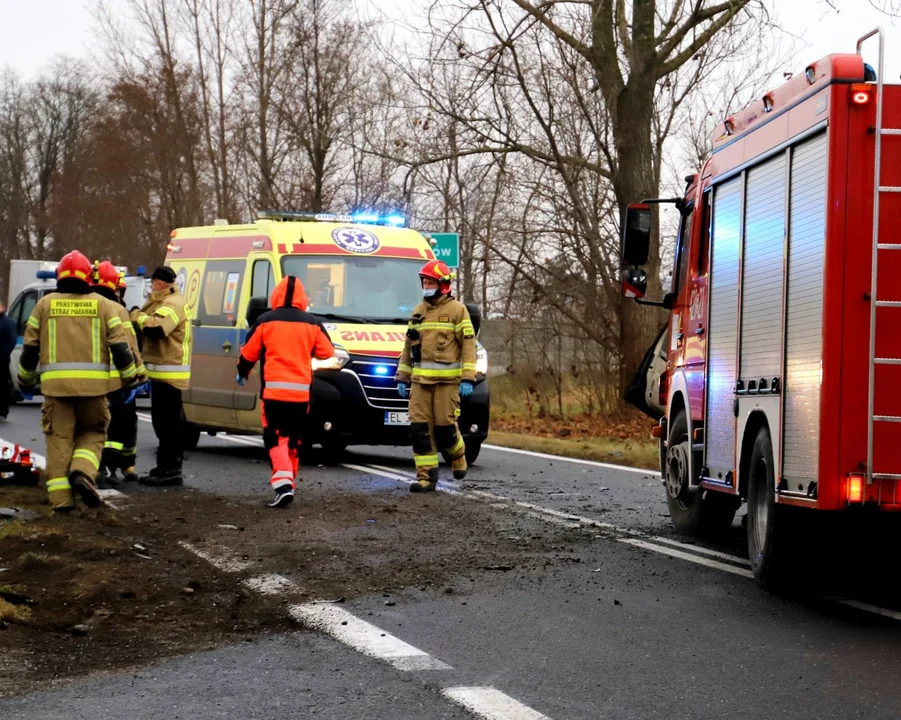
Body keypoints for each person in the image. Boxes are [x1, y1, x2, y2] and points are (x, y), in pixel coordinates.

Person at [17, 250, 139, 511]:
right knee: (92, 433)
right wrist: (130, 380)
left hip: (56, 391)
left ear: (59, 276)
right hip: (94, 391)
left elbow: (29, 350)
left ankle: (62, 502)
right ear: (88, 277)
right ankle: (83, 472)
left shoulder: (44, 305)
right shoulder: (104, 306)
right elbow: (120, 348)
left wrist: (25, 382)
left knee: (59, 440)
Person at [236, 275, 334, 508]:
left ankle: (283, 485)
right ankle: (289, 482)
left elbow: (248, 353)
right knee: (293, 440)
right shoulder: (312, 322)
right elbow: (327, 351)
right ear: (303, 298)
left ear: (276, 295)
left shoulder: (265, 321)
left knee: (275, 438)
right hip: (301, 396)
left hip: (273, 395)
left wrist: (242, 372)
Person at [394, 260, 477, 492]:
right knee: (419, 430)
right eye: (424, 282)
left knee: (445, 428)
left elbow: (469, 347)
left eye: (430, 282)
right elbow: (409, 346)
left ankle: (459, 455)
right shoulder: (418, 311)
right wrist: (402, 376)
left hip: (447, 383)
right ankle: (426, 478)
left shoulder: (457, 311)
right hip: (420, 384)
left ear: (443, 285)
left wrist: (468, 377)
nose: (426, 286)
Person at [130, 266, 192, 487]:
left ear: (159, 283)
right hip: (161, 373)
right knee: (162, 423)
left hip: (169, 373)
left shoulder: (173, 303)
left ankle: (171, 470)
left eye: (153, 283)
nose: (151, 287)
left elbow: (157, 328)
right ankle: (164, 467)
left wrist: (136, 316)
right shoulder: (160, 301)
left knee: (168, 425)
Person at [92, 262, 147, 487]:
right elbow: (130, 345)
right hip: (117, 379)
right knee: (117, 424)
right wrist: (139, 376)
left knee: (100, 424)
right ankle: (111, 466)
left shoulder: (87, 305)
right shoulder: (117, 310)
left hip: (92, 380)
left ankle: (116, 465)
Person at [0, 302, 16, 423]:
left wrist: (3, 355)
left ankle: (2, 412)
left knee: (2, 387)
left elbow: (12, 341)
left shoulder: (7, 322)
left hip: (2, 361)